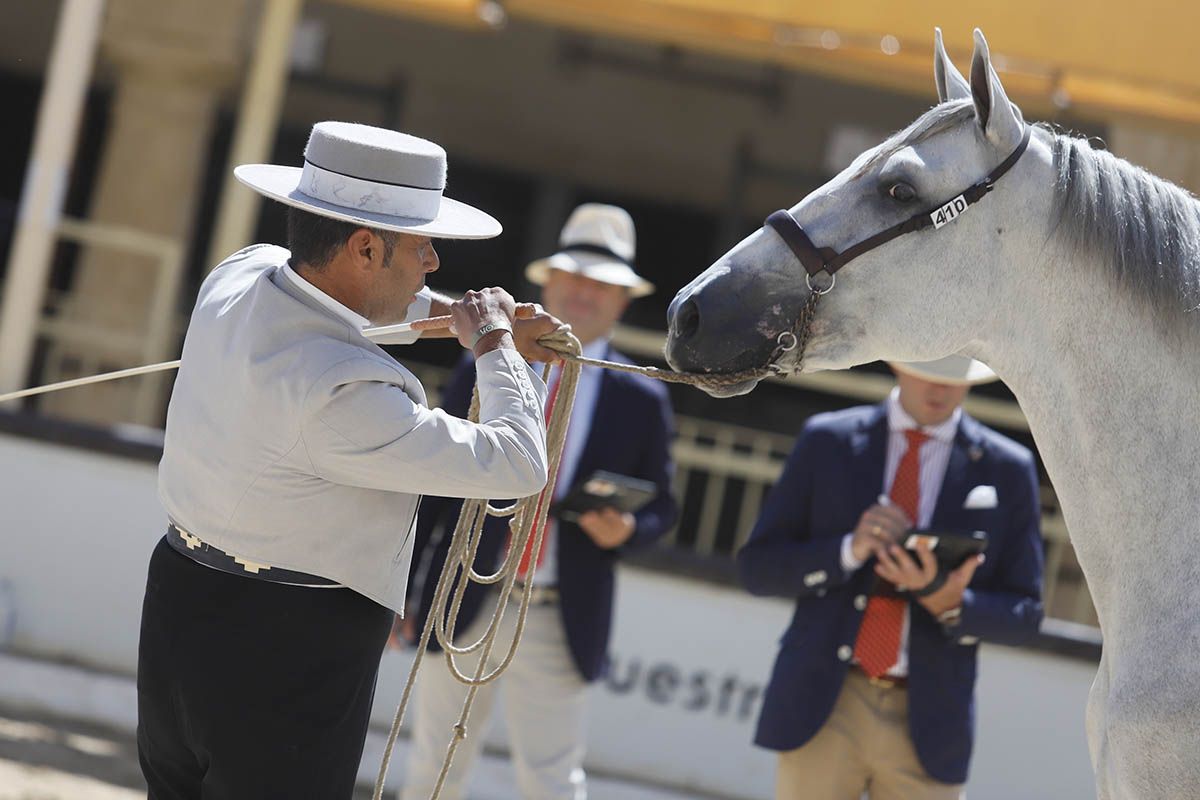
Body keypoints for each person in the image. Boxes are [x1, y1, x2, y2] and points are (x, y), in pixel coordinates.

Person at [138, 121, 565, 799]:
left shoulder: (242, 272)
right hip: (286, 642)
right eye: (422, 246)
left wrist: (465, 318)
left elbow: (350, 307)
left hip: (181, 599)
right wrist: (495, 350)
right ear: (365, 246)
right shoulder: (344, 389)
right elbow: (518, 461)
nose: (432, 261)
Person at [400, 203, 678, 800]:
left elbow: (664, 508)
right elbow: (435, 481)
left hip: (558, 607)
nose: (584, 293)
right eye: (574, 277)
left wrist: (626, 528)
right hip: (466, 589)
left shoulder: (640, 397)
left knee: (552, 778)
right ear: (547, 282)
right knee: (433, 767)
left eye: (601, 285)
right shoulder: (487, 360)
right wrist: (405, 587)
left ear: (622, 301)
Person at [738, 356, 1045, 799]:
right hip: (824, 703)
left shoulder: (1007, 468)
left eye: (954, 378)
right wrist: (848, 550)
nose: (940, 389)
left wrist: (952, 604)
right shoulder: (829, 441)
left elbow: (1026, 613)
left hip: (931, 718)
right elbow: (757, 568)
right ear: (898, 364)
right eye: (928, 372)